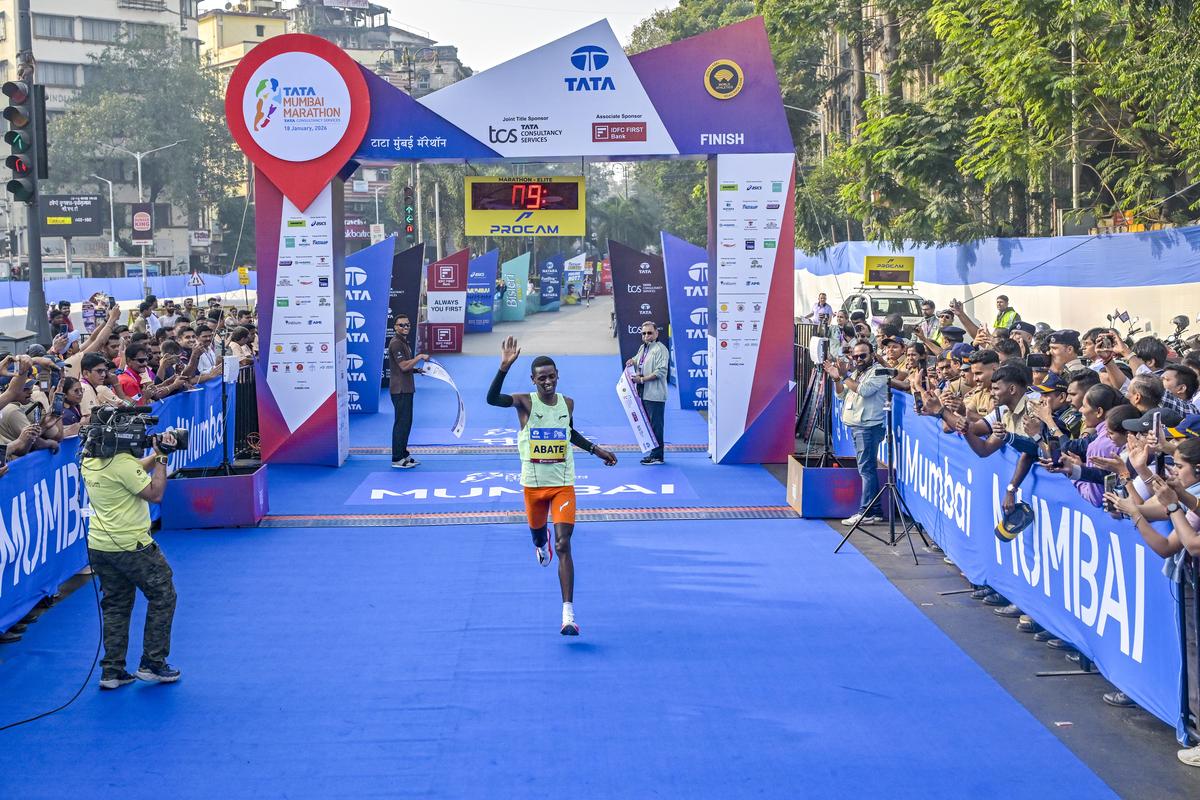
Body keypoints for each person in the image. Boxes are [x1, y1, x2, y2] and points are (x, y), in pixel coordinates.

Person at [486, 336, 617, 635]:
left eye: (551, 377)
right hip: (533, 486)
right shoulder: (524, 402)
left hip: (562, 485)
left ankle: (568, 614)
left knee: (564, 544)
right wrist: (504, 368)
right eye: (541, 378)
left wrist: (597, 450)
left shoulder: (567, 403)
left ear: (558, 377)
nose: (547, 382)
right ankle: (538, 541)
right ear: (533, 380)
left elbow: (569, 433)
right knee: (540, 540)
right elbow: (492, 399)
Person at [83, 429, 181, 689]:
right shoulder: (123, 465)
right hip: (133, 546)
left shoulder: (88, 460)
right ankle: (152, 663)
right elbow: (155, 493)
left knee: (115, 604)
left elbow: (132, 468)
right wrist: (161, 459)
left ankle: (112, 671)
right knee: (163, 595)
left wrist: (156, 452)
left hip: (100, 546)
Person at [824, 340, 888, 526]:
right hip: (857, 425)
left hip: (869, 427)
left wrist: (844, 376)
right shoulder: (856, 373)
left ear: (872, 354)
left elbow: (865, 390)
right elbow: (841, 394)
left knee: (866, 469)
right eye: (855, 356)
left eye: (863, 355)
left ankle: (866, 512)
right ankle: (874, 511)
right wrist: (837, 379)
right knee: (866, 469)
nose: (858, 359)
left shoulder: (878, 371)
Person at [387, 315, 428, 468]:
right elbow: (403, 366)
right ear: (395, 327)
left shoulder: (403, 341)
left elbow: (405, 368)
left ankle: (403, 454)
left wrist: (416, 370)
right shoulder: (396, 343)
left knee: (406, 423)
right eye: (401, 325)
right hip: (400, 390)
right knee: (401, 424)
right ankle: (397, 458)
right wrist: (419, 357)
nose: (405, 327)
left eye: (407, 325)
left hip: (406, 388)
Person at [627, 321, 669, 465]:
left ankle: (658, 455)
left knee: (656, 426)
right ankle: (653, 453)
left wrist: (642, 379)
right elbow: (638, 360)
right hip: (643, 393)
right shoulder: (643, 347)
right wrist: (631, 361)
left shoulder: (660, 349)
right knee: (649, 426)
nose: (647, 335)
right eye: (644, 333)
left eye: (650, 333)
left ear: (656, 333)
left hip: (655, 395)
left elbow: (661, 372)